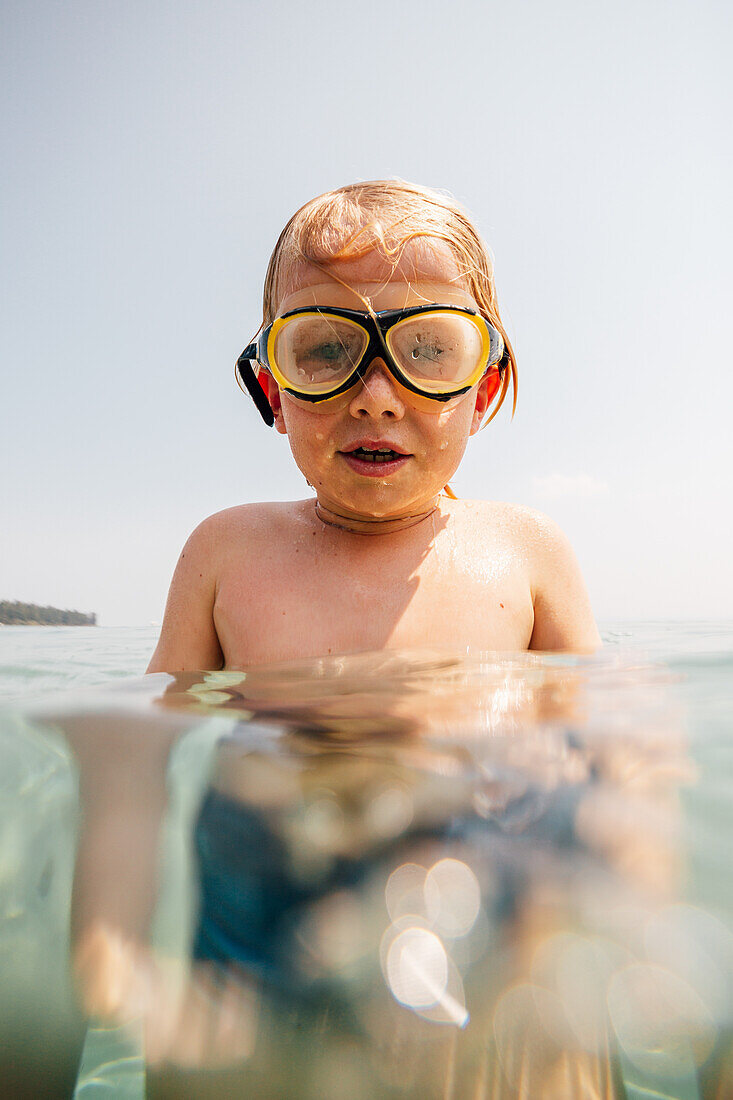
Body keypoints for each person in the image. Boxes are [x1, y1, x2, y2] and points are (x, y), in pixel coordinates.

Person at [148, 180, 599, 673]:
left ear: (481, 395)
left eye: (428, 352)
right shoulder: (224, 555)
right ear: (275, 392)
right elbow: (146, 738)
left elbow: (611, 736)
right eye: (324, 351)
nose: (377, 401)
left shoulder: (528, 551)